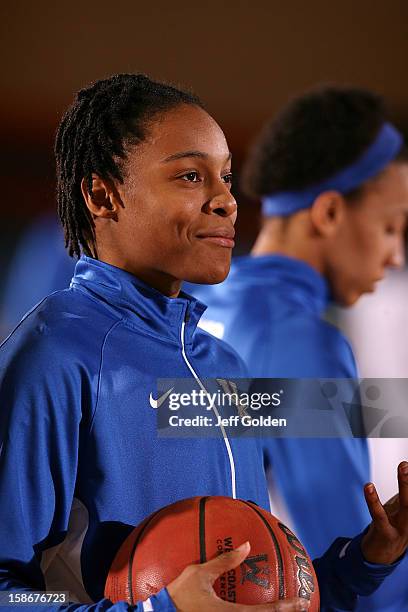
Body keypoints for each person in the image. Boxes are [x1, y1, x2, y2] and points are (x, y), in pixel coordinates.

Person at [0, 75, 407, 612]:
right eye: (191, 176)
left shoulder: (225, 366)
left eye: (228, 178)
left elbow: (258, 590)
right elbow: (11, 593)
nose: (227, 201)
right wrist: (154, 609)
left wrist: (365, 560)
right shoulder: (56, 354)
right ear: (103, 194)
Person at [185, 86, 408, 611]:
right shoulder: (299, 339)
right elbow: (355, 575)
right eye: (391, 227)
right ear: (329, 213)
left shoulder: (201, 301)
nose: (396, 255)